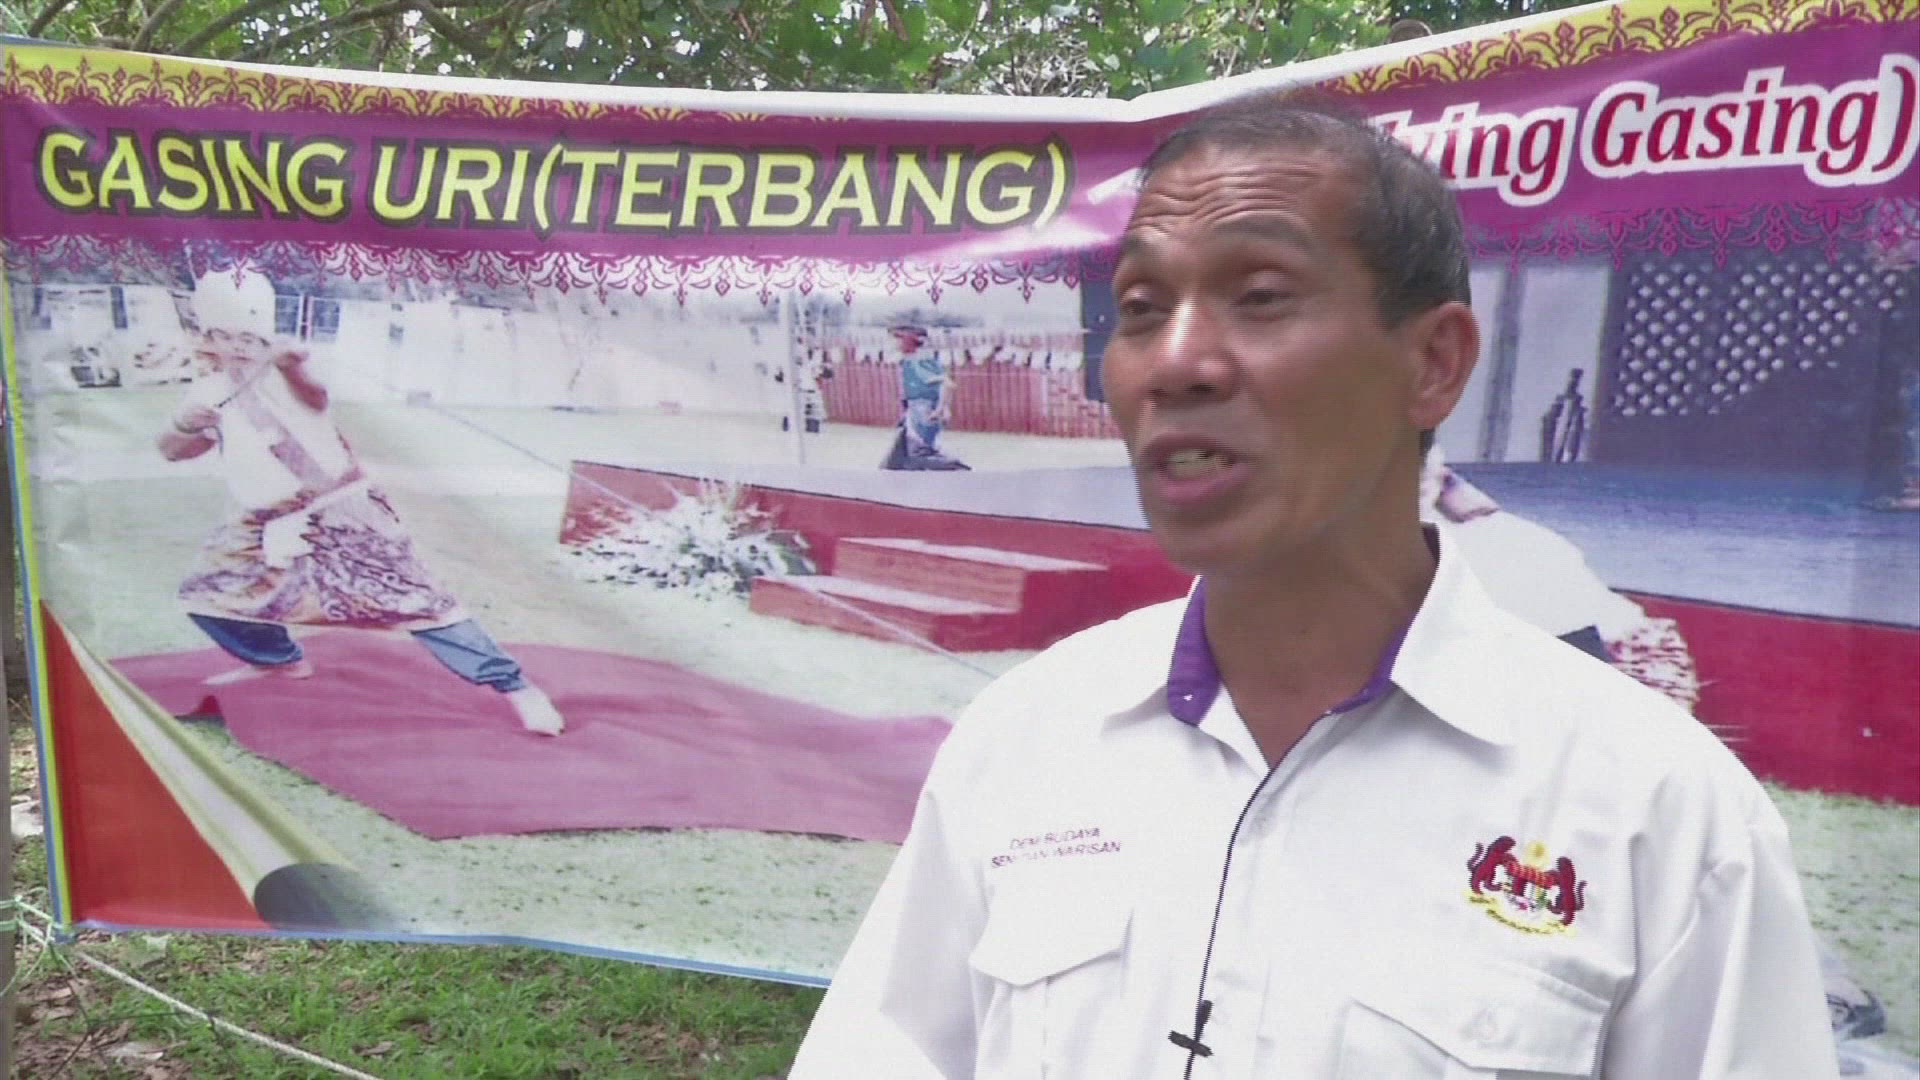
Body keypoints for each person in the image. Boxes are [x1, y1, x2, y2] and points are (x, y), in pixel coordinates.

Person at [792, 93, 1834, 1077]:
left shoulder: (1659, 814)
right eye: (1141, 308)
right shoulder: (1026, 743)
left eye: (1261, 298)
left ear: (1434, 362)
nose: (1176, 362)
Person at [158, 271, 565, 737]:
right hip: (258, 524)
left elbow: (316, 398)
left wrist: (292, 367)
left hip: (343, 511)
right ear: (209, 338)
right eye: (226, 336)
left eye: (248, 337)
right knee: (206, 592)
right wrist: (184, 425)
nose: (238, 347)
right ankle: (278, 660)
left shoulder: (288, 372)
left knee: (421, 601)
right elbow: (174, 450)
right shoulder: (207, 389)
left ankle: (515, 687)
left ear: (264, 336)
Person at [883, 322, 969, 471]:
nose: (891, 344)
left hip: (922, 408)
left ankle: (956, 469)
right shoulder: (914, 360)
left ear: (908, 341)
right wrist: (944, 408)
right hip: (917, 407)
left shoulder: (919, 361)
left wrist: (940, 409)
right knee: (903, 454)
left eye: (895, 339)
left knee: (918, 453)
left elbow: (947, 384)